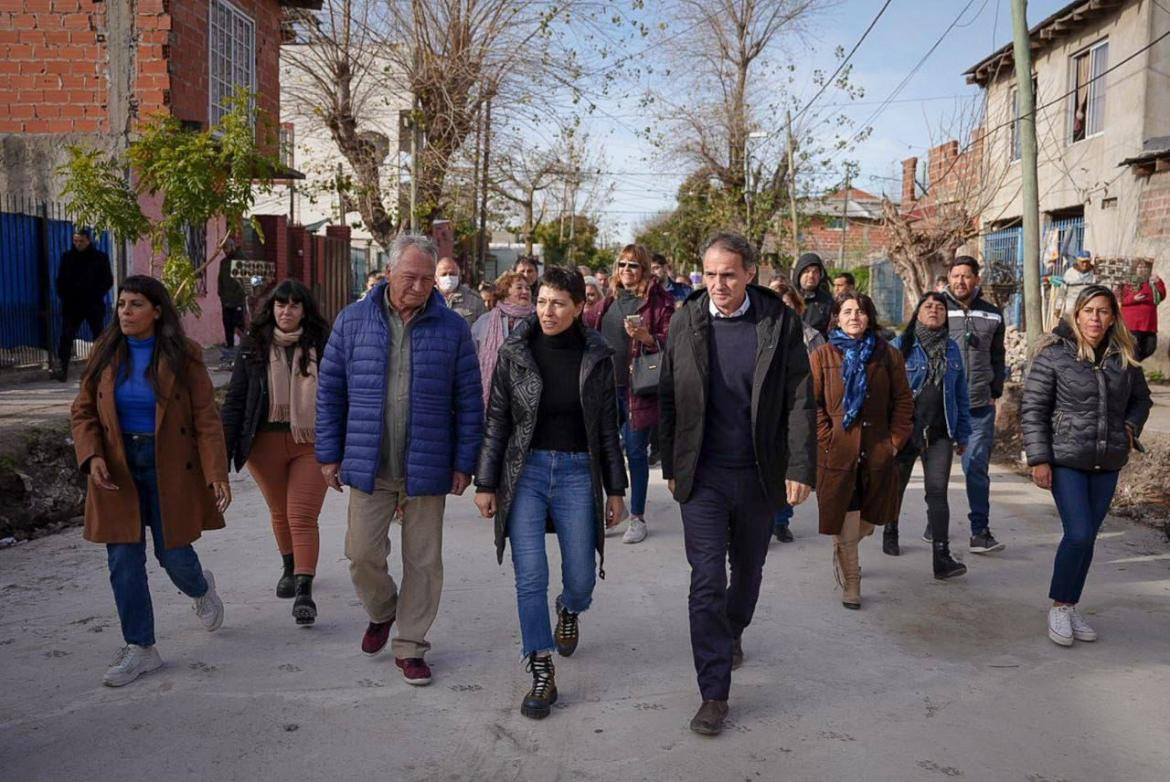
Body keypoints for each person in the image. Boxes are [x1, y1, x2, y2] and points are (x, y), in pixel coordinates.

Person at [660, 232, 815, 736]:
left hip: (757, 472)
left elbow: (798, 398)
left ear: (749, 272)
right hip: (702, 475)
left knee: (746, 571)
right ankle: (713, 693)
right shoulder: (686, 320)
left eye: (728, 274)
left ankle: (734, 629)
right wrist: (671, 461)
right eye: (709, 274)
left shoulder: (778, 322)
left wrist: (799, 466)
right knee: (706, 579)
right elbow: (668, 393)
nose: (718, 284)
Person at [315, 234, 483, 687]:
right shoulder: (352, 322)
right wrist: (329, 454)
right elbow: (330, 392)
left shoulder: (452, 329)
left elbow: (469, 400)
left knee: (424, 561)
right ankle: (384, 609)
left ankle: (410, 644)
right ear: (388, 272)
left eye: (428, 279)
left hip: (427, 463)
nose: (420, 286)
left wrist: (465, 461)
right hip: (370, 461)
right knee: (361, 554)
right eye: (410, 276)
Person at [475, 267, 628, 720]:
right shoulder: (515, 351)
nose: (547, 311)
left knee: (581, 574)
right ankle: (540, 668)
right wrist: (487, 482)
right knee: (530, 577)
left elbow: (606, 428)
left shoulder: (598, 355)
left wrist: (616, 490)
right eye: (542, 301)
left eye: (559, 303)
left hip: (579, 472)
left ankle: (569, 608)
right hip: (525, 474)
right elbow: (498, 420)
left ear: (580, 306)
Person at [69, 275, 229, 687]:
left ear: (156, 311)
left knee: (173, 556)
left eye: (136, 304)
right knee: (123, 560)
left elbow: (206, 419)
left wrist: (216, 473)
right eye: (121, 304)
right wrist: (92, 456)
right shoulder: (104, 354)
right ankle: (140, 647)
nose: (125, 311)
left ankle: (200, 587)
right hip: (117, 467)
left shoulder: (183, 357)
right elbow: (83, 411)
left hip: (169, 464)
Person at [1021, 285, 1151, 647]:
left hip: (1107, 459)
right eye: (1089, 310)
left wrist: (1129, 427)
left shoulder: (1123, 356)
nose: (1096, 318)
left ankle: (1070, 603)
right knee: (1078, 533)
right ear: (1076, 314)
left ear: (1113, 317)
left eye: (1104, 311)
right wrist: (1039, 459)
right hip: (1066, 459)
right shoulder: (1053, 355)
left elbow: (1142, 400)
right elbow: (1033, 410)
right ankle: (1059, 607)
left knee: (1087, 538)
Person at [221, 280, 331, 626]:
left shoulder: (323, 345)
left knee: (301, 515)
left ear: (305, 310)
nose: (287, 311)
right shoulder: (252, 346)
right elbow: (236, 400)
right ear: (271, 309)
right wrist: (220, 457)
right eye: (280, 305)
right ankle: (288, 565)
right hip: (263, 443)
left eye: (294, 305)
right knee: (280, 512)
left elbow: (340, 395)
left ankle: (304, 589)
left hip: (310, 443)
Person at [810, 293, 913, 610]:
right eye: (847, 311)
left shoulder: (887, 355)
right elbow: (810, 406)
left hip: (876, 452)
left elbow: (904, 401)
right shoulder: (822, 355)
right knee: (845, 520)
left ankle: (848, 541)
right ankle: (852, 583)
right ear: (836, 318)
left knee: (869, 521)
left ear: (869, 318)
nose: (854, 316)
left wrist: (894, 442)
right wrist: (827, 438)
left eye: (860, 311)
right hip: (837, 455)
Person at [886, 294, 971, 579]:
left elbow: (961, 394)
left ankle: (941, 556)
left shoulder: (952, 350)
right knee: (896, 487)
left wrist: (962, 433)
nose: (935, 311)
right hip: (906, 431)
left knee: (937, 493)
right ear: (917, 313)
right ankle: (891, 529)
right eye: (928, 307)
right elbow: (886, 393)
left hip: (940, 433)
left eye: (940, 308)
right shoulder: (900, 346)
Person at [596, 243, 674, 544]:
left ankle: (638, 517)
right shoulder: (610, 299)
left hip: (637, 389)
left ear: (643, 269)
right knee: (604, 451)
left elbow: (671, 338)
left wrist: (648, 338)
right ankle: (615, 509)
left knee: (636, 452)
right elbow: (589, 325)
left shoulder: (659, 301)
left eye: (633, 265)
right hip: (606, 386)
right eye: (622, 265)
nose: (626, 270)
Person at [941, 256, 1007, 554]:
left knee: (976, 467)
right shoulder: (936, 309)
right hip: (943, 404)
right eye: (956, 276)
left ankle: (979, 531)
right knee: (938, 470)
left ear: (976, 279)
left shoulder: (993, 314)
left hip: (979, 405)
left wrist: (995, 390)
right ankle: (936, 524)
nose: (960, 281)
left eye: (966, 276)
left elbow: (998, 355)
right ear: (949, 278)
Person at [766, 279, 825, 543]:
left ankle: (781, 520)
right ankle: (767, 519)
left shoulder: (811, 336)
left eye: (788, 305)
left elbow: (822, 374)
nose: (783, 310)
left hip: (798, 408)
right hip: (768, 410)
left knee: (790, 463)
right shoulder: (761, 334)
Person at [54, 228, 113, 382]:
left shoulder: (100, 258)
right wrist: (65, 296)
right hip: (72, 305)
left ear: (88, 240)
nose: (78, 244)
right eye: (76, 241)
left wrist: (95, 293)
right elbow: (60, 280)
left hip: (92, 303)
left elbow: (108, 280)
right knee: (66, 336)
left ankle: (102, 367)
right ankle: (62, 368)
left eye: (81, 241)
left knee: (99, 337)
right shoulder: (67, 258)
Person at [471, 270, 536, 407]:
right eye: (519, 287)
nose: (525, 291)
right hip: (492, 396)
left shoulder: (538, 321)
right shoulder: (485, 321)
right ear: (505, 291)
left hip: (527, 396)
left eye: (528, 288)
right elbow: (471, 357)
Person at [1117, 259, 1164, 361]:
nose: (1142, 269)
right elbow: (1119, 298)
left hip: (1149, 324)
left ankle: (1133, 364)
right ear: (1134, 269)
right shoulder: (1127, 282)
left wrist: (1158, 282)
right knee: (1133, 350)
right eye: (1140, 267)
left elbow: (1161, 295)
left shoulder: (1151, 282)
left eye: (1145, 267)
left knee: (1150, 348)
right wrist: (1133, 299)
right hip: (1133, 324)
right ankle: (1131, 368)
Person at [436, 256, 486, 325]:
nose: (448, 277)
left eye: (452, 274)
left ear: (459, 276)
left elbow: (484, 329)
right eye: (444, 274)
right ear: (436, 278)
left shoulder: (474, 299)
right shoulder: (427, 297)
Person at [793, 252, 833, 336]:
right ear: (799, 274)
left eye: (815, 272)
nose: (811, 275)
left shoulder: (827, 302)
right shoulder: (789, 298)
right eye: (806, 271)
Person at [218, 247, 247, 354]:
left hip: (237, 300)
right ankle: (230, 345)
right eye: (223, 248)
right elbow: (220, 280)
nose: (225, 251)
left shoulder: (241, 260)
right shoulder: (223, 263)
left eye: (227, 248)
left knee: (238, 323)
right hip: (226, 300)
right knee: (227, 322)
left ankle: (242, 346)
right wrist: (221, 295)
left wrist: (240, 295)